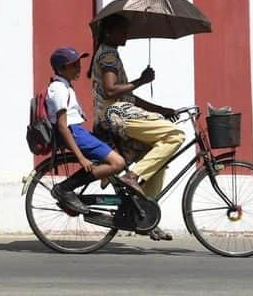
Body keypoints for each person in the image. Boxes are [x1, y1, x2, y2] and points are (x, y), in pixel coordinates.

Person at [90, 14, 185, 240]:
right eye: (123, 30)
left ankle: (146, 218)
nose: (127, 34)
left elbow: (128, 96)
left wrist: (162, 109)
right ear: (109, 32)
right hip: (116, 115)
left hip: (119, 113)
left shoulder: (109, 53)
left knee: (159, 160)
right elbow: (112, 91)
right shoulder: (108, 55)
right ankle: (132, 177)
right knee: (176, 136)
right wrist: (142, 80)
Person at [46, 47, 143, 214]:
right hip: (74, 133)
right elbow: (62, 126)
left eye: (79, 63)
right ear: (61, 69)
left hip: (78, 131)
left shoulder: (65, 86)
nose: (79, 67)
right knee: (118, 162)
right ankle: (64, 188)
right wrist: (81, 158)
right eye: (74, 65)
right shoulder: (58, 89)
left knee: (118, 156)